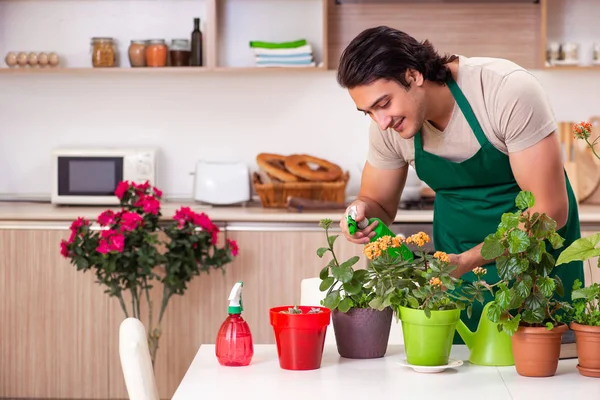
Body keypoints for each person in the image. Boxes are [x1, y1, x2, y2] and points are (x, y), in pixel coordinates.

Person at [336, 26, 584, 344]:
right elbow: (378, 203)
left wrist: (466, 261)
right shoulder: (387, 128)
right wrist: (360, 212)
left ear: (413, 76)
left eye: (383, 104)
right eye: (368, 112)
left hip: (534, 264)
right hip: (458, 274)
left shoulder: (505, 91)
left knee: (538, 377)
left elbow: (547, 212)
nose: (380, 122)